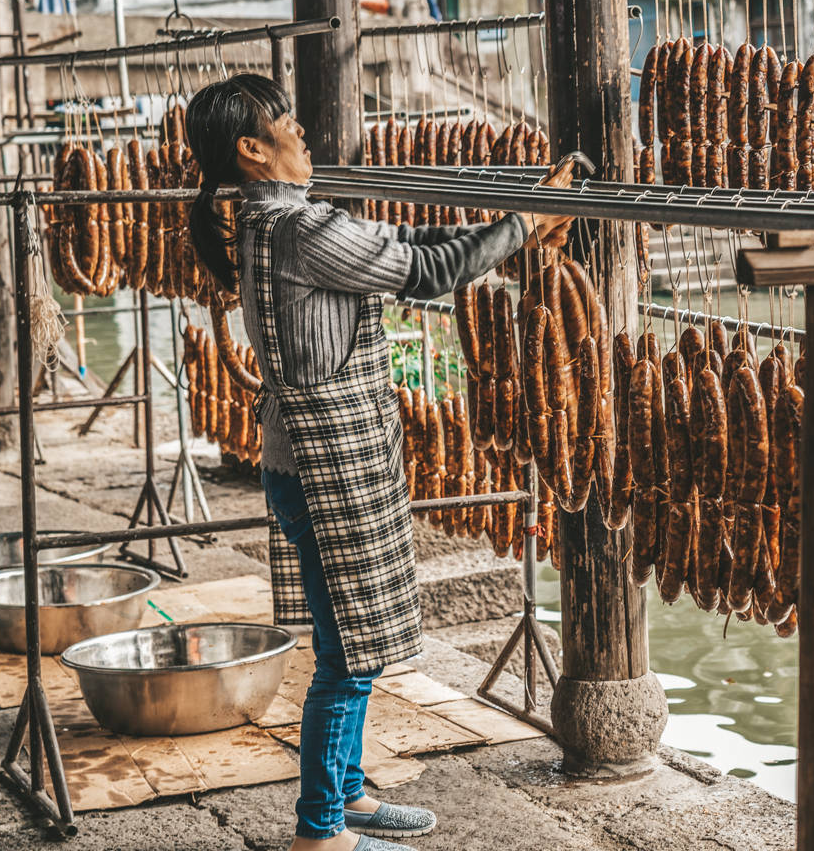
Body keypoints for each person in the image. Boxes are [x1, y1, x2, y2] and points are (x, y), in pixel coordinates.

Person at [185, 74, 571, 851]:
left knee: (347, 644)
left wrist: (513, 225)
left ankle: (348, 793)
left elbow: (407, 251)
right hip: (328, 466)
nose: (305, 132)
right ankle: (320, 831)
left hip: (309, 459)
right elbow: (429, 272)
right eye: (287, 121)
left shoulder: (273, 223)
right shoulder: (297, 231)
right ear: (252, 151)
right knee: (348, 659)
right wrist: (527, 222)